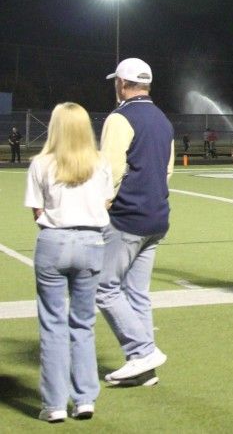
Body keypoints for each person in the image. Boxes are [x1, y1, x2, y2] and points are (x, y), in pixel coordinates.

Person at [24, 103, 113, 422]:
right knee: (83, 323)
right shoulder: (100, 163)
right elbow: (106, 201)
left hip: (53, 242)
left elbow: (37, 210)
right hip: (91, 243)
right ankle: (85, 399)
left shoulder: (41, 163)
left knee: (53, 325)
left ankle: (55, 405)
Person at [96, 57, 175, 386]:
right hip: (157, 216)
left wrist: (102, 205)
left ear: (122, 83)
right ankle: (143, 369)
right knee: (136, 293)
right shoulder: (163, 119)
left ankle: (142, 351)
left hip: (127, 217)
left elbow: (110, 170)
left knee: (104, 288)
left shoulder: (120, 117)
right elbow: (167, 171)